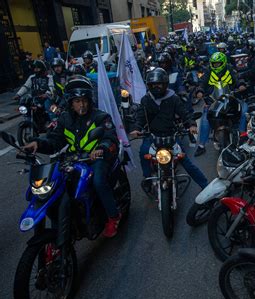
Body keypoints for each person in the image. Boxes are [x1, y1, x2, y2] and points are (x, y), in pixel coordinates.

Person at [22, 75, 122, 237]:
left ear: (89, 100)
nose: (81, 104)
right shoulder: (64, 119)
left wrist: (101, 148)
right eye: (77, 101)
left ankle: (113, 216)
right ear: (70, 102)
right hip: (74, 159)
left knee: (98, 181)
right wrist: (37, 144)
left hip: (96, 158)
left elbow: (110, 137)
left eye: (84, 100)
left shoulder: (100, 117)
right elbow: (54, 140)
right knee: (56, 185)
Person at [129, 68, 208, 190]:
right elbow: (140, 116)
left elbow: (184, 113)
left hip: (171, 136)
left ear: (165, 84)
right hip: (152, 136)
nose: (157, 87)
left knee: (185, 161)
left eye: (159, 84)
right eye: (154, 85)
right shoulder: (146, 100)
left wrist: (191, 124)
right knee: (143, 152)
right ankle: (147, 179)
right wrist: (136, 128)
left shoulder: (173, 98)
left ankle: (206, 186)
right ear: (149, 85)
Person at [194, 52, 238, 157]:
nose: (215, 66)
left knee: (241, 115)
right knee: (205, 120)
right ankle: (201, 145)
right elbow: (202, 82)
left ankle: (241, 138)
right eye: (214, 64)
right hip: (213, 101)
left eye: (218, 64)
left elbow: (237, 78)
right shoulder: (208, 71)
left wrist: (240, 84)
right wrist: (200, 90)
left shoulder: (229, 69)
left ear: (223, 63)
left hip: (229, 99)